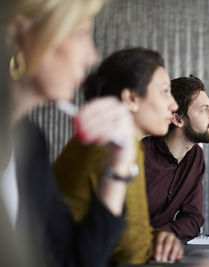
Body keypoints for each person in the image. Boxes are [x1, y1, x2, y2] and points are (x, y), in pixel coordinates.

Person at [0, 0, 137, 266]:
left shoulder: (30, 143)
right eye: (80, 34)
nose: (92, 57)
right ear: (18, 36)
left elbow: (74, 260)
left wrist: (119, 165)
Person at [53, 48, 184, 264]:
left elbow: (129, 234)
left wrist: (158, 237)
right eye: (164, 92)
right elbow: (130, 254)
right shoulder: (109, 147)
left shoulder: (127, 145)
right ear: (131, 98)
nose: (174, 104)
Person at [143, 75, 209, 239]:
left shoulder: (195, 157)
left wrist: (161, 235)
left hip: (162, 253)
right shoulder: (140, 157)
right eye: (204, 109)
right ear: (177, 119)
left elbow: (193, 219)